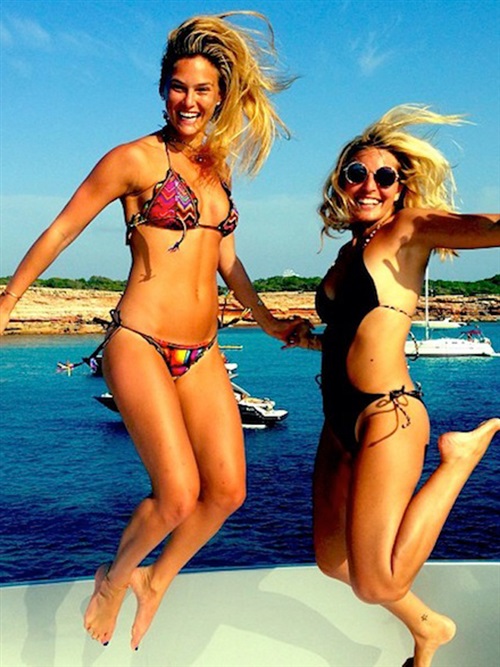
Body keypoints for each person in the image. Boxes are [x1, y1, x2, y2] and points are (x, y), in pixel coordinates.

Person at [0, 11, 303, 651]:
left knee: (227, 492)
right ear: (162, 89)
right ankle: (113, 577)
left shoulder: (219, 168)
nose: (188, 101)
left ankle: (155, 578)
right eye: (178, 87)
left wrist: (270, 321)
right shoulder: (133, 159)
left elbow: (227, 263)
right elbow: (63, 229)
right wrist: (9, 300)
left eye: (202, 90)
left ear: (220, 97)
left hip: (202, 348)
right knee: (177, 495)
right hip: (139, 339)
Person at [295, 104, 500, 667]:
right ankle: (428, 628)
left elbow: (489, 228)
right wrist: (309, 338)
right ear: (341, 182)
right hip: (337, 421)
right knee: (332, 561)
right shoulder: (348, 251)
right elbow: (355, 330)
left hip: (388, 414)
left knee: (377, 583)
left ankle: (459, 458)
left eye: (384, 176)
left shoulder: (408, 229)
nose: (369, 185)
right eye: (356, 173)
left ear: (400, 186)